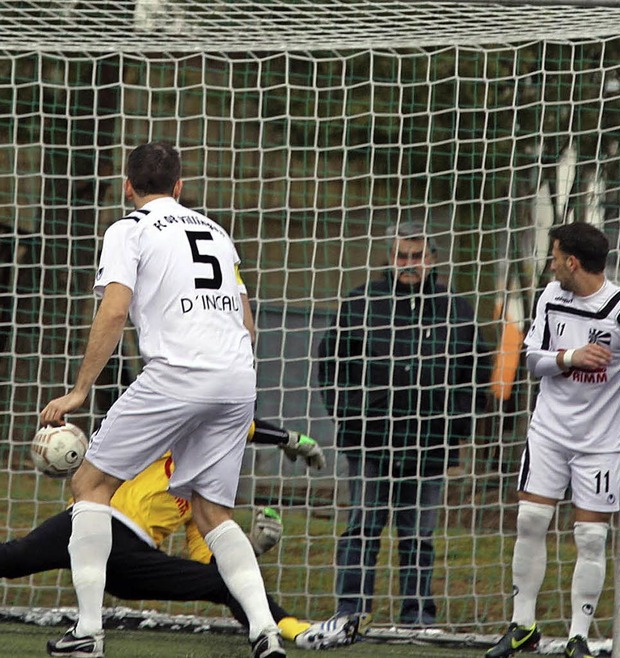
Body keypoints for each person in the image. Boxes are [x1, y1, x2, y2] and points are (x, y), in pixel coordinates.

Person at [39, 142, 282, 658]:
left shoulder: (128, 228)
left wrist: (82, 389)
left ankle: (87, 632)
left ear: (129, 187)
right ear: (179, 187)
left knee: (89, 483)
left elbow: (113, 311)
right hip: (238, 376)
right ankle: (265, 632)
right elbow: (248, 325)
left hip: (178, 373)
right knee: (214, 513)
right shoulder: (216, 232)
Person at [2, 429, 366, 651]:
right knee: (15, 559)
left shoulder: (203, 499)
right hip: (92, 523)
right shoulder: (167, 443)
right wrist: (287, 438)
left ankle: (298, 631)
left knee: (226, 583)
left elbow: (211, 561)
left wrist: (252, 548)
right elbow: (240, 426)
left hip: (131, 560)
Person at [317, 221, 491, 627]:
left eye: (417, 256)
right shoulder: (361, 302)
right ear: (389, 259)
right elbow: (330, 365)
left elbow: (476, 373)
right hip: (370, 441)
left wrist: (456, 428)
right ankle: (351, 611)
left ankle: (417, 616)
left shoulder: (457, 309)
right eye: (401, 256)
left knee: (418, 538)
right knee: (362, 528)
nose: (409, 264)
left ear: (432, 259)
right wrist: (349, 416)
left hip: (430, 444)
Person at [485, 222, 620, 658]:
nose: (550, 264)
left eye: (554, 256)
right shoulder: (552, 296)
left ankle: (578, 637)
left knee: (590, 538)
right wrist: (571, 356)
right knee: (530, 520)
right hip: (549, 431)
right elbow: (533, 359)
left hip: (601, 443)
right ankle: (523, 626)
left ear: (572, 262)